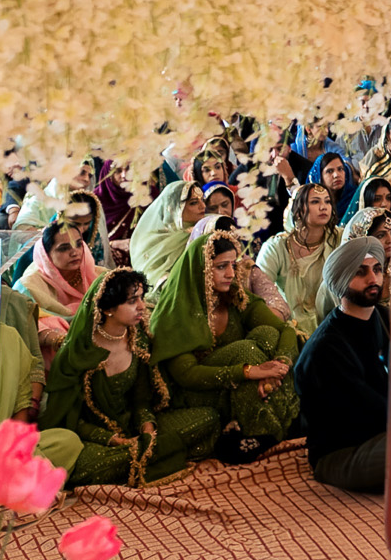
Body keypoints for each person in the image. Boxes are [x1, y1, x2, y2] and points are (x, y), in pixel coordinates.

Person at [41, 270, 221, 486]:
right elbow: (70, 419)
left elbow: (141, 401)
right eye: (132, 301)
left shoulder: (139, 342)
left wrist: (147, 427)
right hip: (91, 439)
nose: (142, 307)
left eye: (142, 298)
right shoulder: (77, 354)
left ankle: (145, 453)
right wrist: (111, 439)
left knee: (208, 418)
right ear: (108, 308)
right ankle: (154, 454)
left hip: (132, 427)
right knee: (89, 466)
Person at [150, 233, 301, 464]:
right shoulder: (176, 312)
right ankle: (268, 431)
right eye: (221, 267)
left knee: (268, 334)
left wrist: (278, 366)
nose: (231, 273)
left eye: (233, 264)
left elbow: (286, 330)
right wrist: (250, 371)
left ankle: (258, 427)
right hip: (197, 394)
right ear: (200, 269)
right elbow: (187, 375)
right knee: (245, 350)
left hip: (238, 389)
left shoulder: (234, 298)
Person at [297, 238, 391, 492]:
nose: (373, 278)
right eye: (361, 272)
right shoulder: (326, 347)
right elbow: (366, 410)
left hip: (390, 431)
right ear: (340, 282)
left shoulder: (385, 319)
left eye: (377, 269)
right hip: (345, 451)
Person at [257, 183, 343, 336]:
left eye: (327, 201)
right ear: (298, 208)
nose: (324, 207)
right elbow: (259, 290)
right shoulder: (276, 247)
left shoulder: (339, 239)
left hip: (332, 324)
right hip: (288, 325)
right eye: (315, 201)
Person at [16, 216, 96, 351]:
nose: (74, 252)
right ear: (46, 254)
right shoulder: (29, 286)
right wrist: (56, 338)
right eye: (64, 248)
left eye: (78, 244)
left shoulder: (98, 277)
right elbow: (21, 322)